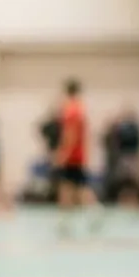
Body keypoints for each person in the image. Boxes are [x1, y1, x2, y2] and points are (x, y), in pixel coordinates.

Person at [54, 79, 99, 235]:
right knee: (78, 187)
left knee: (67, 187)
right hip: (79, 155)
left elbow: (70, 134)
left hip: (72, 155)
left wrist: (64, 153)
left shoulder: (70, 110)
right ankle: (93, 212)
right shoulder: (80, 108)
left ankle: (65, 220)